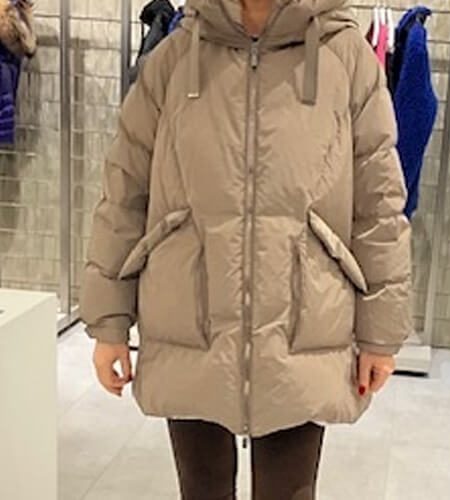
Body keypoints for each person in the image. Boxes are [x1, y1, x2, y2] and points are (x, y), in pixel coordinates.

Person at [79, 0, 413, 498]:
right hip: (189, 320)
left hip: (304, 325)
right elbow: (124, 193)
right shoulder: (172, 59)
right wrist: (108, 322)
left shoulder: (346, 59)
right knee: (202, 492)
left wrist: (380, 334)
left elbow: (379, 205)